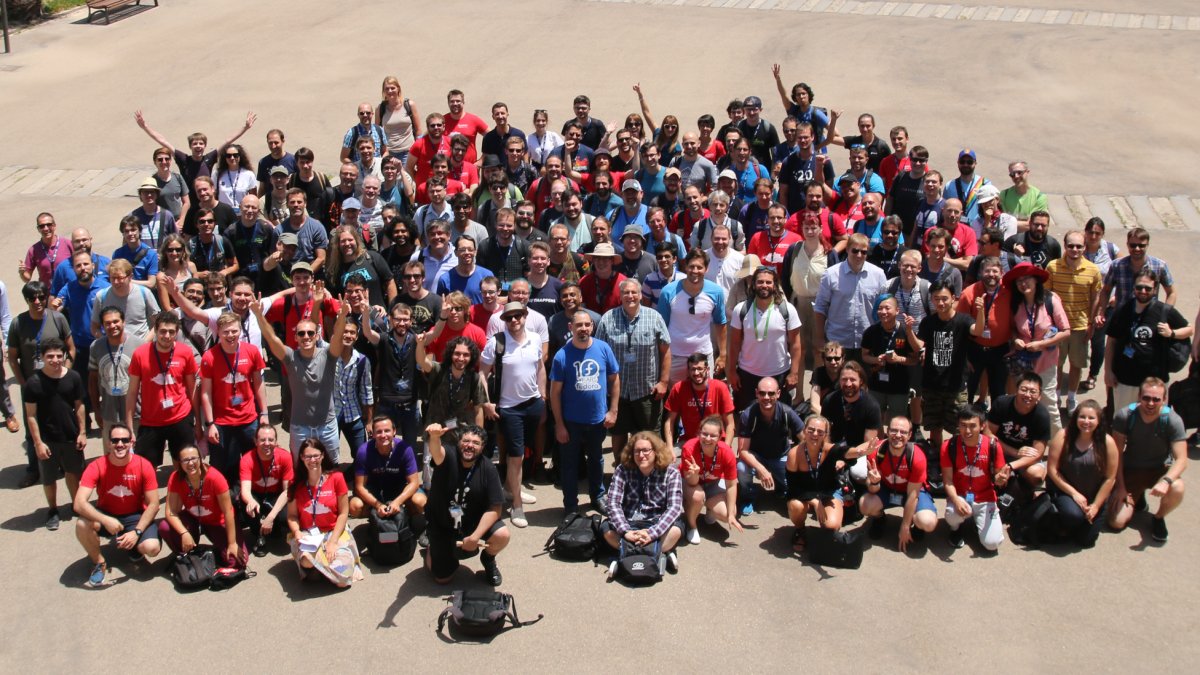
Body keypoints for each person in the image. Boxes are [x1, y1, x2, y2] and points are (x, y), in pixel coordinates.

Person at [256, 294, 350, 459]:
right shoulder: (290, 357)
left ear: (316, 335)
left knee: (331, 467)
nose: (306, 336)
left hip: (327, 426)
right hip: (300, 428)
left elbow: (338, 337)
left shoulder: (328, 354)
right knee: (299, 470)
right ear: (295, 337)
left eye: (310, 333)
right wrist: (258, 315)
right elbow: (271, 339)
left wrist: (342, 316)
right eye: (301, 333)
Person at [479, 302, 544, 528]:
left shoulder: (535, 338)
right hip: (509, 407)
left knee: (522, 451)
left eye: (518, 316)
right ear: (504, 320)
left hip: (533, 403)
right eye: (509, 318)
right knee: (516, 456)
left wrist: (542, 396)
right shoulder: (496, 342)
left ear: (525, 316)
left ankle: (510, 487)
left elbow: (540, 367)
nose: (514, 321)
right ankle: (516, 504)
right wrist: (487, 403)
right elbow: (482, 374)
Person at [73, 424, 162, 587]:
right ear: (108, 443)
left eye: (124, 440)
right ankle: (99, 562)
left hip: (135, 515)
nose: (120, 444)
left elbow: (154, 504)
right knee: (81, 524)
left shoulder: (144, 465)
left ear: (131, 443)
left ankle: (134, 547)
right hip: (106, 513)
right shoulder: (97, 466)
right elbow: (79, 503)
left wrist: (137, 532)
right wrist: (105, 520)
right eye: (115, 440)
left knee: (152, 548)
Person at [550, 309, 619, 515]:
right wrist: (559, 425)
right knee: (569, 464)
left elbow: (614, 380)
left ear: (592, 326)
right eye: (578, 325)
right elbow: (554, 394)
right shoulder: (562, 355)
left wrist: (613, 410)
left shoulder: (603, 348)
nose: (583, 329)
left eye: (587, 325)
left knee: (596, 460)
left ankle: (597, 496)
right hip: (571, 421)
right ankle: (571, 504)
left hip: (597, 419)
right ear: (571, 328)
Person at [424, 422, 508, 586]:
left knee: (502, 535)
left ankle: (489, 559)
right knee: (442, 579)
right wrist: (434, 437)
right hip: (443, 523)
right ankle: (432, 547)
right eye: (466, 441)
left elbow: (495, 509)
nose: (470, 446)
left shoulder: (488, 468)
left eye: (476, 443)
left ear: (482, 447)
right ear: (459, 443)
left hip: (471, 522)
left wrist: (475, 537)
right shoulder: (448, 456)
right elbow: (437, 452)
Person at [9, 282, 75, 487]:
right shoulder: (18, 323)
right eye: (32, 298)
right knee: (33, 429)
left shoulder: (58, 318)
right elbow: (12, 357)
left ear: (46, 297)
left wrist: (66, 374)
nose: (37, 302)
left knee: (62, 424)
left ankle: (65, 465)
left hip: (58, 384)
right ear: (26, 300)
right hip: (33, 386)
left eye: (40, 297)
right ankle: (34, 469)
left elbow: (70, 349)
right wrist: (22, 382)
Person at [595, 280, 671, 456]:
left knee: (649, 435)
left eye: (634, 292)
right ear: (620, 296)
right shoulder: (608, 318)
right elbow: (599, 353)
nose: (630, 296)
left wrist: (664, 382)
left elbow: (665, 351)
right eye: (626, 293)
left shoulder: (654, 317)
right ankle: (621, 474)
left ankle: (651, 476)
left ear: (640, 295)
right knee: (618, 433)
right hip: (617, 391)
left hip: (646, 389)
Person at [1107, 378, 1187, 542]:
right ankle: (1138, 495)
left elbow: (1182, 459)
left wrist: (1165, 481)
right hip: (1132, 470)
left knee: (1178, 487)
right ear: (1139, 397)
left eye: (1156, 399)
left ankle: (1158, 517)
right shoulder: (1125, 416)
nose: (1151, 403)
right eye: (1146, 398)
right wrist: (1121, 487)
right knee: (1116, 522)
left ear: (1164, 400)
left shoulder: (1172, 420)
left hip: (1159, 469)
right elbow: (1117, 455)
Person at [23, 338, 86, 531]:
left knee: (73, 473)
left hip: (70, 436)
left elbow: (80, 405)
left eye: (59, 356)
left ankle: (77, 505)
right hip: (47, 440)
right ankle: (53, 510)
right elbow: (31, 416)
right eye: (50, 356)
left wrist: (82, 432)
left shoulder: (73, 377)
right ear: (42, 357)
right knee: (49, 479)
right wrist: (38, 443)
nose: (55, 360)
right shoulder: (33, 383)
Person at [200, 312, 269, 484]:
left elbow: (259, 384)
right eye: (226, 332)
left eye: (234, 331)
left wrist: (265, 414)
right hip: (222, 422)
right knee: (223, 467)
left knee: (254, 463)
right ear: (219, 333)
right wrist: (210, 424)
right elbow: (206, 392)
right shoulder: (209, 357)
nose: (230, 335)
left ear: (240, 331)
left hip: (249, 418)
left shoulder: (252, 351)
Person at [785, 415, 870, 552]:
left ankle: (823, 533)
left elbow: (846, 452)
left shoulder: (830, 450)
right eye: (811, 430)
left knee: (831, 526)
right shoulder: (794, 454)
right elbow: (792, 487)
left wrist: (860, 452)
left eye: (820, 432)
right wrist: (814, 501)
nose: (815, 434)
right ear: (804, 431)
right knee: (796, 506)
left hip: (828, 491)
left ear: (825, 435)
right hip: (803, 492)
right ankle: (800, 530)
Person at [602, 432, 684, 573]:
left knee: (676, 529)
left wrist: (653, 533)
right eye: (637, 451)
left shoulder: (671, 473)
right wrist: (625, 531)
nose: (641, 455)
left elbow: (674, 507)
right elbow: (613, 503)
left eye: (646, 450)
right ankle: (659, 553)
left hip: (656, 522)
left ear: (656, 451)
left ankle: (625, 554)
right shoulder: (622, 470)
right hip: (629, 522)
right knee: (606, 529)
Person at [125, 313, 198, 469]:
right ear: (156, 331)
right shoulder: (140, 354)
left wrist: (198, 423)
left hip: (180, 416)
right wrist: (130, 427)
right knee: (144, 467)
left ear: (177, 332)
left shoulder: (185, 352)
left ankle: (181, 491)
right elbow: (132, 392)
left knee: (185, 464)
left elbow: (192, 389)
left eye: (171, 332)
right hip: (151, 420)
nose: (167, 336)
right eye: (163, 331)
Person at [287, 438, 364, 587]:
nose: (312, 460)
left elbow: (343, 513)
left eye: (316, 455)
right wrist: (297, 532)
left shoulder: (336, 478)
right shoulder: (295, 483)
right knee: (307, 561)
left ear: (323, 455)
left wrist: (333, 542)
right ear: (302, 457)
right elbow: (292, 516)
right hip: (308, 535)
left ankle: (321, 570)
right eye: (308, 456)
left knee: (343, 580)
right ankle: (321, 568)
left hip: (334, 531)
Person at [907, 281, 973, 450]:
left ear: (953, 298)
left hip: (956, 385)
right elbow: (918, 346)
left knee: (959, 428)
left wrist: (980, 313)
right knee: (934, 427)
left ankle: (957, 457)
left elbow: (978, 331)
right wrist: (908, 330)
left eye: (944, 298)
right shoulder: (928, 322)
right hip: (932, 384)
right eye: (936, 299)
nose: (941, 303)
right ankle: (936, 457)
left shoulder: (963, 320)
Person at [1006, 261, 1071, 432]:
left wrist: (1042, 344)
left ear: (1036, 280)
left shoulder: (1051, 300)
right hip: (1023, 363)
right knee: (1023, 402)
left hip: (1046, 362)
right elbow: (1013, 328)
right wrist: (1016, 340)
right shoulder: (1016, 303)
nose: (1023, 283)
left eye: (1027, 278)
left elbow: (1065, 331)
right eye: (1019, 281)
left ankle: (1057, 445)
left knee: (1048, 403)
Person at [727, 265, 802, 410]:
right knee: (746, 418)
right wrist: (731, 371)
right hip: (747, 374)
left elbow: (796, 344)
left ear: (775, 285)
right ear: (753, 285)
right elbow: (734, 343)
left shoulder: (787, 310)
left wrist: (794, 372)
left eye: (768, 282)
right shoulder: (740, 310)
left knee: (780, 419)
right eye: (760, 282)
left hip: (779, 373)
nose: (764, 285)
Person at [858, 416, 939, 550]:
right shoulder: (877, 451)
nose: (898, 435)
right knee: (864, 505)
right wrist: (873, 483)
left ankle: (917, 526)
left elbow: (913, 495)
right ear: (887, 431)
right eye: (894, 431)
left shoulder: (916, 456)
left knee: (928, 522)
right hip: (887, 488)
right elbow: (872, 489)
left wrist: (905, 525)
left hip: (912, 491)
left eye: (903, 432)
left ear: (910, 435)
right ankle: (879, 519)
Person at [161, 445, 248, 569]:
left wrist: (232, 543)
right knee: (165, 527)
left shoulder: (214, 477)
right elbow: (171, 512)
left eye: (194, 458)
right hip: (193, 519)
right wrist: (184, 532)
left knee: (237, 561)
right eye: (185, 460)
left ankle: (210, 551)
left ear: (200, 459)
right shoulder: (176, 478)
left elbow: (228, 511)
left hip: (216, 522)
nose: (190, 463)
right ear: (179, 463)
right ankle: (185, 553)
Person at [1046, 401, 1118, 548]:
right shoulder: (1063, 436)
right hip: (1065, 490)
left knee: (1086, 541)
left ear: (1099, 421)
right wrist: (1074, 494)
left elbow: (1110, 478)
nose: (1086, 421)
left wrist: (1096, 506)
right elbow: (1052, 470)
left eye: (1091, 418)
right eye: (1082, 417)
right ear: (1075, 418)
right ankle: (1061, 520)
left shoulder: (1107, 442)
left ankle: (1079, 523)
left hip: (1094, 495)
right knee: (1073, 516)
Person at [1046, 231, 1103, 414]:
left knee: (1076, 364)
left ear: (1085, 247)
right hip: (1058, 327)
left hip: (1080, 325)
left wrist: (1091, 323)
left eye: (1079, 246)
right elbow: (1047, 295)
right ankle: (1055, 397)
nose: (1075, 249)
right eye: (1071, 246)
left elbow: (1095, 298)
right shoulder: (1053, 267)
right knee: (1057, 364)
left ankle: (1071, 397)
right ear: (1065, 246)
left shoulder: (1093, 270)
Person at [350, 415, 427, 546]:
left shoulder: (405, 449)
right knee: (354, 506)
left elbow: (414, 482)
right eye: (378, 432)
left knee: (420, 501)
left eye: (387, 430)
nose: (383, 435)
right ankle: (376, 520)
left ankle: (405, 518)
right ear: (373, 434)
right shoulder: (364, 451)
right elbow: (359, 487)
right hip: (375, 490)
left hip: (399, 488)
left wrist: (397, 502)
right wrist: (378, 505)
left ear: (394, 431)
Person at [942, 406, 1011, 551]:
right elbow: (948, 480)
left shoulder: (993, 445)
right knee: (952, 515)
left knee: (992, 544)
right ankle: (956, 528)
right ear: (958, 425)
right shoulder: (949, 445)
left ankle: (978, 522)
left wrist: (1001, 480)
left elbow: (999, 476)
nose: (967, 431)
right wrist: (955, 500)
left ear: (982, 426)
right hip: (960, 496)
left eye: (973, 426)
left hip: (985, 497)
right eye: (963, 425)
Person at [813, 233, 887, 365]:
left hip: (867, 342)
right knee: (837, 384)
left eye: (863, 252)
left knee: (864, 382)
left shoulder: (878, 275)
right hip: (837, 340)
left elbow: (883, 307)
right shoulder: (831, 274)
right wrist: (819, 338)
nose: (859, 255)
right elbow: (820, 307)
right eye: (855, 251)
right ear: (847, 249)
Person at [736, 377, 805, 515]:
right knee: (741, 467)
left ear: (778, 393)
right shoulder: (748, 415)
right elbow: (743, 451)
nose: (766, 397)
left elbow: (805, 441)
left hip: (781, 456)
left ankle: (781, 486)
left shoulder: (787, 413)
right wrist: (762, 469)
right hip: (756, 456)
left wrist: (795, 458)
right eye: (762, 393)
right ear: (756, 393)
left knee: (794, 491)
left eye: (771, 393)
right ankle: (748, 496)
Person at [658, 248, 727, 385]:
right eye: (691, 267)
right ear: (685, 267)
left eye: (699, 267)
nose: (695, 271)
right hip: (675, 355)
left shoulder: (716, 292)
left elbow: (720, 323)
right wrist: (661, 356)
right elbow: (661, 327)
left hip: (703, 355)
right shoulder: (668, 291)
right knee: (677, 399)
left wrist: (723, 354)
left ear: (706, 269)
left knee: (704, 399)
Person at [680, 415, 741, 545]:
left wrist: (730, 515)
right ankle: (692, 526)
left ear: (720, 437)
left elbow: (731, 485)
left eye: (713, 436)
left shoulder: (726, 452)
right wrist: (695, 474)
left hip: (713, 483)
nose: (708, 439)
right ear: (699, 433)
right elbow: (691, 482)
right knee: (697, 497)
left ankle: (709, 508)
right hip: (691, 483)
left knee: (728, 513)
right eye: (704, 434)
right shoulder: (689, 448)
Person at [988, 372, 1053, 493]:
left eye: (1033, 392)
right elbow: (988, 434)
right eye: (1024, 389)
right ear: (1016, 390)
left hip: (1025, 459)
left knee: (1036, 475)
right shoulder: (1001, 403)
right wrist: (1015, 452)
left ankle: (1022, 492)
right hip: (999, 451)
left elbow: (1038, 453)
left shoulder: (1042, 415)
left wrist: (1012, 466)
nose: (1028, 395)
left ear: (1039, 396)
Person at [87, 306, 143, 443]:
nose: (112, 326)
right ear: (102, 326)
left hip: (137, 412)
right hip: (109, 412)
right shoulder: (96, 347)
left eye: (116, 321)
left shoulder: (140, 345)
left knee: (139, 457)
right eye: (107, 323)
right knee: (113, 455)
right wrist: (96, 410)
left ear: (123, 322)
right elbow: (92, 381)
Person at [240, 424, 294, 557]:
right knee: (247, 506)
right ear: (256, 441)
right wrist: (251, 501)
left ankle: (274, 526)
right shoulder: (247, 459)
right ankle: (258, 534)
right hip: (256, 494)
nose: (267, 443)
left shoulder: (285, 457)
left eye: (271, 440)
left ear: (276, 442)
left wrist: (271, 516)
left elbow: (288, 491)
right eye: (263, 440)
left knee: (286, 515)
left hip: (277, 494)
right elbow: (245, 490)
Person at [861, 295, 917, 422]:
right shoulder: (871, 331)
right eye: (880, 308)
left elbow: (914, 359)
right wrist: (876, 360)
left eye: (887, 308)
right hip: (876, 385)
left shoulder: (905, 331)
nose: (883, 312)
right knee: (875, 419)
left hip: (899, 386)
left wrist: (898, 359)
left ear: (897, 311)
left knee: (897, 421)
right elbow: (864, 356)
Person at [664, 353, 736, 448]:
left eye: (700, 369)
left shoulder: (720, 387)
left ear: (707, 369)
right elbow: (669, 421)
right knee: (669, 462)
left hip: (716, 441)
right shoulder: (679, 388)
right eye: (693, 369)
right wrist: (669, 448)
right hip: (689, 441)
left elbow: (730, 424)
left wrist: (726, 448)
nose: (696, 373)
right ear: (688, 371)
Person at [91, 259, 161, 342]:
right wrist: (106, 342)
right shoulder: (101, 296)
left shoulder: (144, 293)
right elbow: (94, 327)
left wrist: (144, 342)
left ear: (130, 277)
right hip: (114, 348)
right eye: (113, 278)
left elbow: (158, 322)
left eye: (120, 278)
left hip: (141, 346)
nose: (116, 282)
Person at [998, 161, 1048, 230]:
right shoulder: (1004, 195)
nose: (1016, 176)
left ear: (1027, 172)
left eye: (1019, 172)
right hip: (1009, 239)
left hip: (1029, 239)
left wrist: (1008, 223)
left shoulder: (1039, 197)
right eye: (1012, 174)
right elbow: (999, 221)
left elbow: (1031, 225)